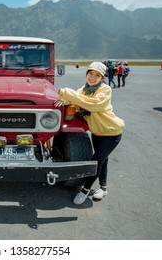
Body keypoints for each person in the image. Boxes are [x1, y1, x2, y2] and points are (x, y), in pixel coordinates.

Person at [54, 61, 125, 205]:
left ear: (102, 78)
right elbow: (72, 98)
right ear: (86, 74)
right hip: (97, 132)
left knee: (96, 160)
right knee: (103, 160)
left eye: (97, 75)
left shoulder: (104, 90)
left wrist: (67, 92)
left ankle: (85, 190)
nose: (93, 78)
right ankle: (103, 188)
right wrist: (62, 99)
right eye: (90, 74)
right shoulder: (84, 90)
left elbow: (93, 104)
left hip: (111, 132)